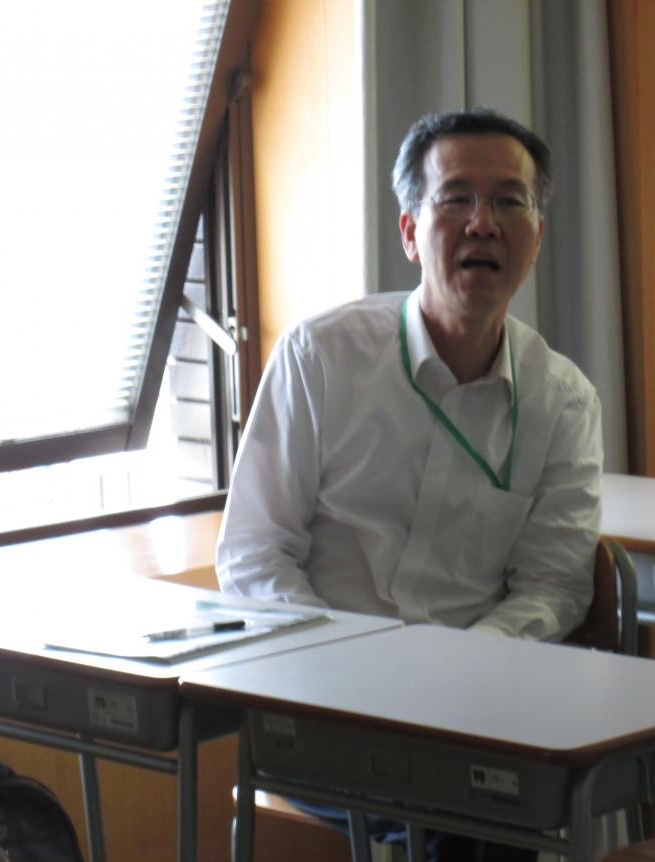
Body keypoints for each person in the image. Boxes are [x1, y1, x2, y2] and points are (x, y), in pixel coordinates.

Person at [216, 108, 603, 860]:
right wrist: (352, 663)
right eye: (455, 199)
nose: (483, 223)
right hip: (323, 707)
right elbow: (255, 556)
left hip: (475, 712)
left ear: (537, 234)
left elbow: (554, 588)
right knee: (472, 810)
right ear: (409, 232)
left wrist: (458, 673)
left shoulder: (562, 401)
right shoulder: (321, 358)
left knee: (494, 795)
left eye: (509, 201)